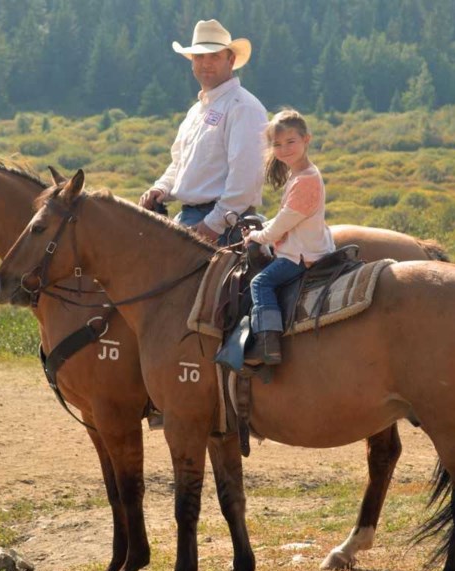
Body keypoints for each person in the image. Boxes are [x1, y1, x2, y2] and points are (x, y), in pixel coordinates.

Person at [138, 19, 267, 244]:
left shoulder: (242, 107)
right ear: (192, 63)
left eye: (214, 56)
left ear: (231, 60)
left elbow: (245, 179)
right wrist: (162, 188)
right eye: (199, 57)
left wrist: (213, 225)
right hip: (191, 218)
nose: (206, 63)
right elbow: (180, 163)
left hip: (226, 226)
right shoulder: (196, 111)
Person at [243, 110, 335, 366]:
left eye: (290, 142)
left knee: (260, 284)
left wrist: (257, 236)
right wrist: (259, 230)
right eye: (277, 144)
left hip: (301, 255)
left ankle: (268, 342)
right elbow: (286, 217)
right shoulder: (301, 174)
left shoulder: (305, 181)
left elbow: (280, 228)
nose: (284, 149)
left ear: (306, 139)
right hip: (307, 245)